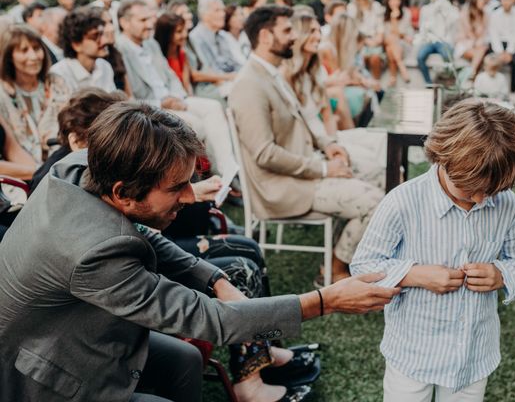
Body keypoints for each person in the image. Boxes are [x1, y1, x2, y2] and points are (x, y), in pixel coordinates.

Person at [0, 101, 400, 402]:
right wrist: (324, 301)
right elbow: (208, 319)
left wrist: (213, 276)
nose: (189, 197)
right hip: (43, 375)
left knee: (187, 361)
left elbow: (136, 231)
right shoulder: (93, 252)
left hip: (66, 333)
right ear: (123, 192)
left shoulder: (81, 168)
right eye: (177, 188)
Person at [351, 98, 515, 402]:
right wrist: (414, 275)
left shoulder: (508, 206)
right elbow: (363, 265)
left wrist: (500, 275)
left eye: (491, 190)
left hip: (472, 355)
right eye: (471, 188)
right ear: (444, 160)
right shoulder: (403, 202)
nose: (481, 200)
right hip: (412, 353)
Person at [229, 5, 385, 283]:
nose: (293, 36)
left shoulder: (273, 74)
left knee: (382, 173)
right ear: (265, 37)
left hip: (305, 172)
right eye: (287, 30)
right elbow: (265, 154)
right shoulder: (249, 84)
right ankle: (335, 270)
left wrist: (328, 146)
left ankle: (351, 253)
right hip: (283, 189)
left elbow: (303, 120)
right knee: (376, 203)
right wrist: (324, 169)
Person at [115, 0, 237, 180]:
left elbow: (170, 76)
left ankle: (227, 171)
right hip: (150, 107)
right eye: (143, 20)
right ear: (124, 23)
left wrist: (178, 97)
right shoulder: (119, 49)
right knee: (196, 124)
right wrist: (161, 102)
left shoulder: (151, 44)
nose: (150, 25)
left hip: (174, 97)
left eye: (150, 19)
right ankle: (205, 176)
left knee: (213, 107)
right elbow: (126, 98)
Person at [282, 11, 386, 189]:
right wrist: (332, 150)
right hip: (313, 149)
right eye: (312, 31)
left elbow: (328, 116)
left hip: (329, 139)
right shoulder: (285, 76)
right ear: (298, 35)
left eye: (318, 31)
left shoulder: (312, 72)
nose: (318, 36)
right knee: (378, 165)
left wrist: (335, 143)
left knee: (384, 140)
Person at [0, 25, 70, 163]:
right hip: (22, 170)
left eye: (37, 48)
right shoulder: (3, 92)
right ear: (9, 56)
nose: (33, 56)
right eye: (24, 50)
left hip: (61, 162)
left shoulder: (56, 82)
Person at [49, 7, 117, 93]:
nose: (105, 41)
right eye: (95, 36)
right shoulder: (59, 74)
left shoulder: (105, 67)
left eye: (102, 34)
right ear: (76, 44)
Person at [189, 0, 243, 99]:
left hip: (231, 81)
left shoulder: (223, 36)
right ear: (204, 15)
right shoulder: (195, 38)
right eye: (217, 10)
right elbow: (202, 73)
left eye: (222, 10)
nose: (222, 14)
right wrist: (230, 78)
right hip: (210, 87)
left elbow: (237, 63)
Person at [415, 0, 460, 84]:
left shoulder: (452, 10)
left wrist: (446, 10)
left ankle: (449, 81)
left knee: (447, 56)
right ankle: (429, 83)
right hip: (430, 41)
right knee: (420, 56)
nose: (440, 0)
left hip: (445, 41)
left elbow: (454, 24)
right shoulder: (426, 9)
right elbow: (423, 26)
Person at [347, 0, 385, 80]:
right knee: (361, 59)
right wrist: (365, 40)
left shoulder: (376, 6)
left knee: (375, 58)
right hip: (359, 42)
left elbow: (380, 26)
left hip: (374, 40)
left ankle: (377, 84)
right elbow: (352, 29)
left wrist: (378, 39)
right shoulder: (351, 7)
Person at [489, 0, 515, 93]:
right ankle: (492, 90)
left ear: (514, 0)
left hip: (514, 44)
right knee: (490, 59)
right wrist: (499, 52)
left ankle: (512, 91)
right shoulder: (495, 14)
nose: (504, 2)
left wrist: (509, 52)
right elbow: (493, 34)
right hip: (498, 44)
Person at [154, 12, 193, 95]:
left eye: (184, 30)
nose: (184, 35)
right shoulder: (157, 57)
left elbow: (186, 85)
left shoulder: (182, 54)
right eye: (179, 32)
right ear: (166, 34)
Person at [455, 0, 490, 79]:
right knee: (481, 52)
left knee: (482, 50)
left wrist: (479, 42)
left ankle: (472, 73)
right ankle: (472, 73)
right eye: (482, 0)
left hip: (478, 45)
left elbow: (484, 33)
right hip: (465, 45)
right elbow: (468, 33)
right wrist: (476, 42)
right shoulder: (465, 13)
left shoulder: (484, 14)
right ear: (475, 0)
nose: (485, 2)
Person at [382, 0, 413, 86]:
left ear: (401, 1)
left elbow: (399, 34)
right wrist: (392, 18)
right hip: (386, 42)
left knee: (390, 48)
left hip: (400, 46)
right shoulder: (382, 13)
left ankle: (393, 77)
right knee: (390, 40)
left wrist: (394, 18)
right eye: (391, 0)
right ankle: (401, 66)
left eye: (397, 0)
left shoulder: (406, 12)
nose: (394, 2)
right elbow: (384, 34)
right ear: (387, 1)